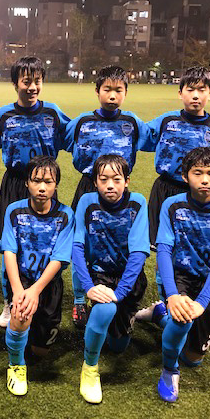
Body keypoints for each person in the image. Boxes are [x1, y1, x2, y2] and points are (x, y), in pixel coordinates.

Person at [152, 147, 210, 403]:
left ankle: (160, 315)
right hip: (181, 277)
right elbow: (164, 249)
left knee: (193, 358)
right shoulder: (172, 205)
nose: (204, 180)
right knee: (182, 319)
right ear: (185, 176)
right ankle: (169, 370)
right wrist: (172, 294)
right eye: (197, 173)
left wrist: (203, 302)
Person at [64, 65, 149, 329]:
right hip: (88, 188)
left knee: (117, 243)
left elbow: (155, 138)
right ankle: (80, 298)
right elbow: (61, 138)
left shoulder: (132, 123)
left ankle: (118, 287)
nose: (112, 95)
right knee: (82, 244)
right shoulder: (82, 122)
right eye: (107, 89)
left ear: (126, 92)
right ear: (97, 91)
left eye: (118, 90)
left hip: (119, 192)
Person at [0, 56, 70, 327]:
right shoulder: (3, 115)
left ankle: (42, 293)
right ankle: (10, 299)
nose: (32, 87)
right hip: (14, 183)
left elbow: (72, 136)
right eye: (26, 81)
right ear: (15, 83)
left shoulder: (53, 113)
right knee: (10, 245)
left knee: (45, 240)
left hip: (44, 184)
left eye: (37, 81)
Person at [72, 155, 150, 404]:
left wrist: (120, 292)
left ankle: (153, 314)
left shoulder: (137, 203)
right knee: (104, 310)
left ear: (127, 181)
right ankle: (89, 369)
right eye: (103, 179)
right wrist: (89, 287)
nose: (110, 185)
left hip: (129, 280)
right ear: (95, 181)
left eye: (116, 179)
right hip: (100, 275)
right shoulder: (87, 201)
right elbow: (77, 246)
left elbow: (139, 253)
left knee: (118, 347)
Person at [0, 156, 74, 396]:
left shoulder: (66, 214)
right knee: (21, 312)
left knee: (41, 351)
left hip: (48, 283)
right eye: (36, 181)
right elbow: (9, 252)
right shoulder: (14, 210)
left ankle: (27, 331)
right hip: (21, 279)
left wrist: (36, 290)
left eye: (48, 182)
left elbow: (60, 258)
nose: (42, 187)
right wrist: (18, 291)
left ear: (56, 185)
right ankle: (16, 365)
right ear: (27, 183)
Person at [142, 66, 210, 251]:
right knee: (162, 245)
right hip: (164, 189)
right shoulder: (167, 121)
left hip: (196, 193)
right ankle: (162, 271)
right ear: (180, 93)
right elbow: (141, 138)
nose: (195, 95)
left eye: (201, 90)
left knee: (188, 244)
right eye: (190, 90)